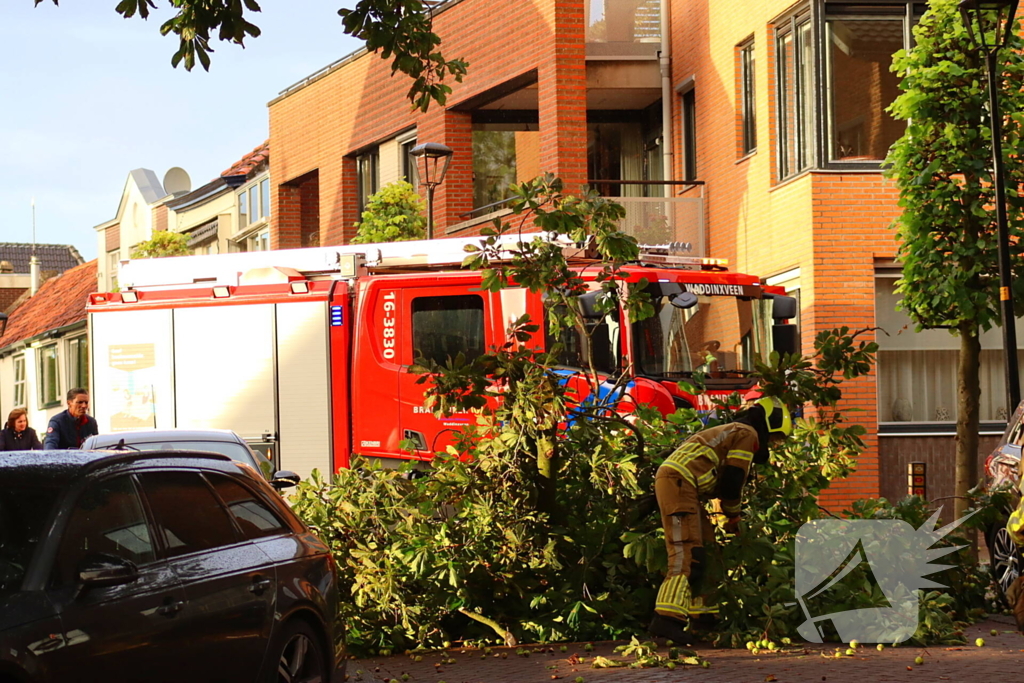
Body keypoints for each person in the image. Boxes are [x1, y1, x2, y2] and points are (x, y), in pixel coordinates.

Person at [649, 396, 792, 643]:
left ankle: (704, 619)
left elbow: (719, 479)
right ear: (770, 424)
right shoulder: (746, 433)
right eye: (775, 438)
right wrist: (734, 515)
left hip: (684, 486)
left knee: (708, 550)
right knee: (687, 552)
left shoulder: (733, 431)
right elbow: (732, 481)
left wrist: (726, 517)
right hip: (680, 483)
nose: (773, 444)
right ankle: (666, 620)